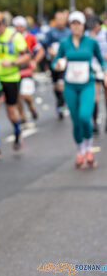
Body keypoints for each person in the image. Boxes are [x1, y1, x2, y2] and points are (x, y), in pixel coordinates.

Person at [52, 11, 107, 169]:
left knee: (84, 117)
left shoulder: (91, 42)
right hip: (70, 85)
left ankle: (89, 148)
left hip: (87, 84)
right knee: (76, 121)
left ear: (83, 25)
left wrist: (105, 71)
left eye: (79, 23)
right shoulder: (64, 43)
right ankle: (80, 152)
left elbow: (101, 60)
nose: (76, 26)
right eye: (73, 23)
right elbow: (56, 61)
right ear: (70, 26)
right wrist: (57, 64)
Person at [0, 11, 30, 155]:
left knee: (11, 112)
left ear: (4, 24)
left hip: (11, 77)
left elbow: (27, 56)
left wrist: (12, 62)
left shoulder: (14, 36)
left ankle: (18, 131)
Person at [13, 16, 45, 124]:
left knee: (25, 95)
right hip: (14, 70)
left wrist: (35, 61)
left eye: (21, 26)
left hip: (27, 70)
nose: (18, 28)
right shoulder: (11, 38)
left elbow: (40, 51)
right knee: (16, 96)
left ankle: (31, 106)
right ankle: (22, 116)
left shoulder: (31, 37)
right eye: (16, 26)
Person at [45, 11, 71, 120]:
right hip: (54, 61)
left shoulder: (69, 32)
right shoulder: (51, 32)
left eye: (62, 19)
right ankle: (59, 101)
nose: (60, 21)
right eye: (58, 19)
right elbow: (47, 46)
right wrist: (53, 53)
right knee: (55, 85)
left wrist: (65, 56)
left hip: (65, 61)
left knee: (62, 84)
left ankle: (61, 104)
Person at [87, 16, 107, 134]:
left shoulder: (105, 33)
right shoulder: (89, 36)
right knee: (95, 96)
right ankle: (94, 122)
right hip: (94, 67)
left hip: (105, 66)